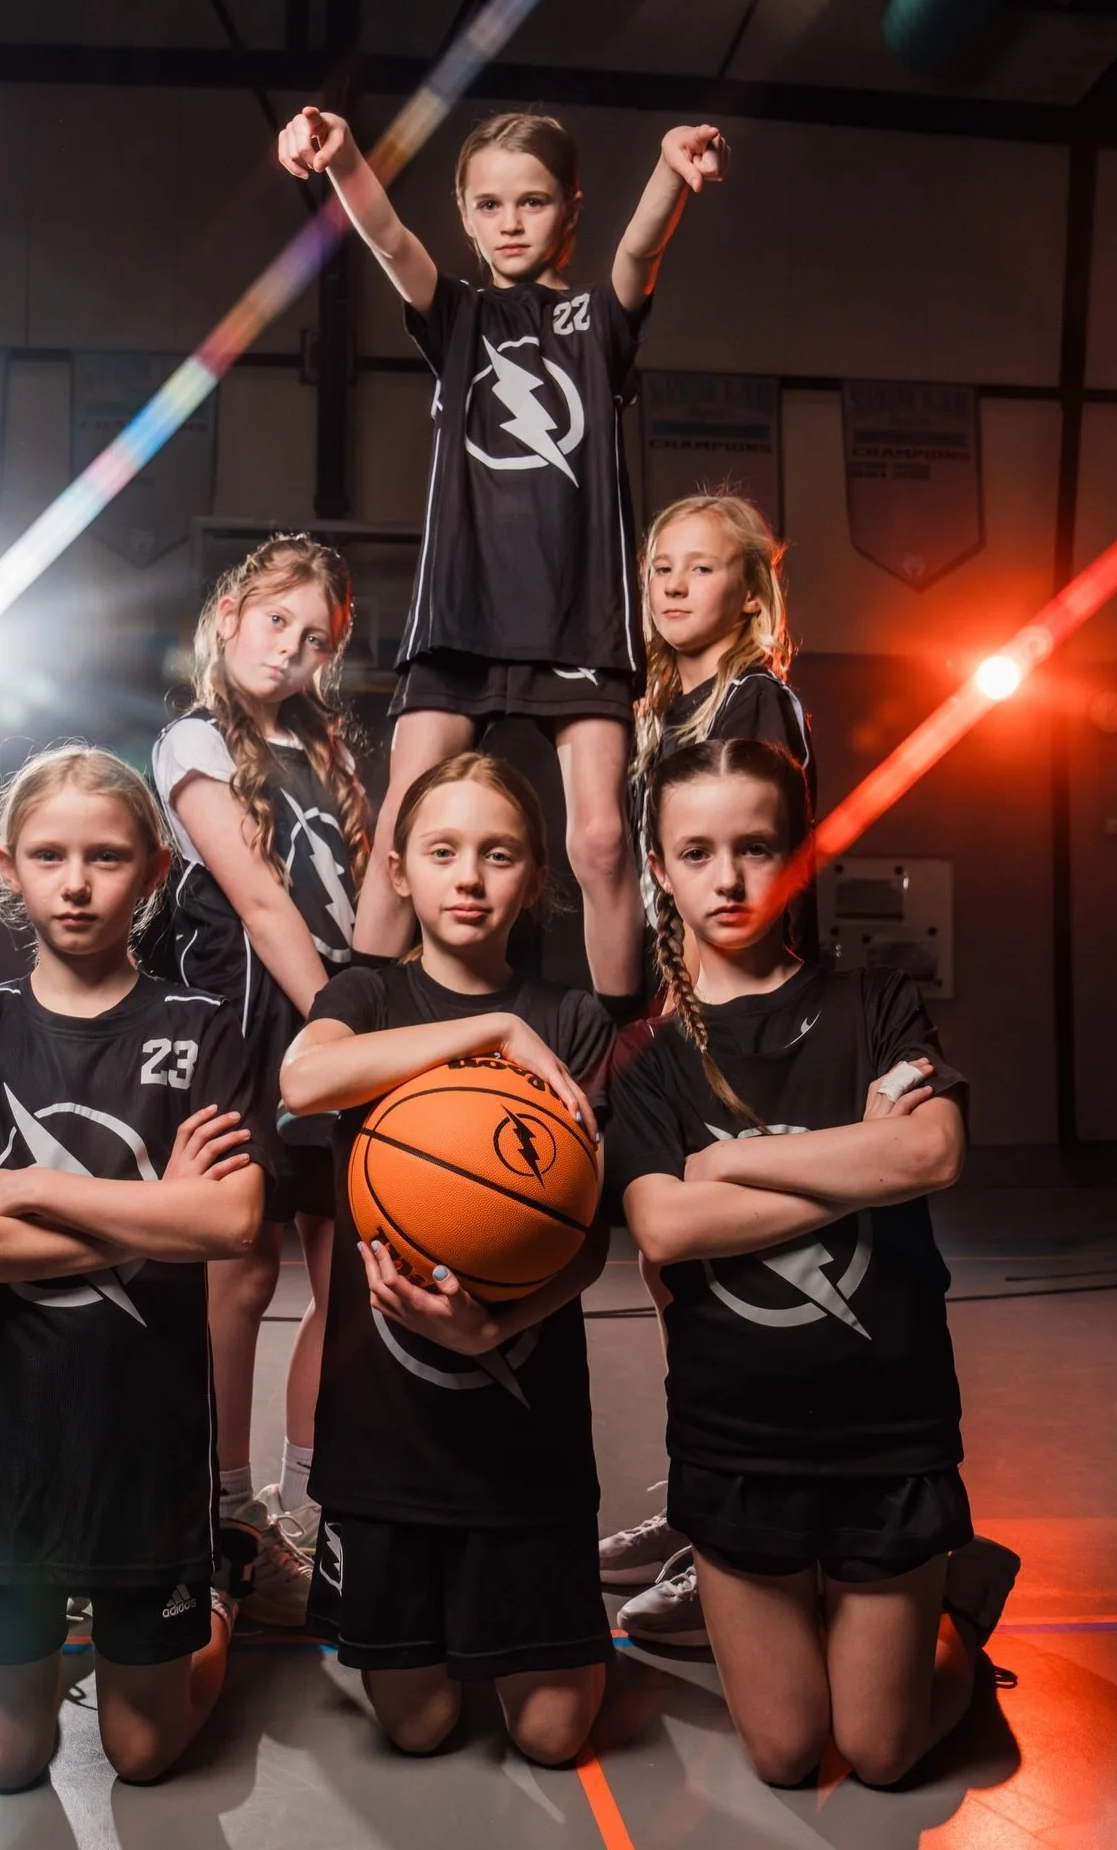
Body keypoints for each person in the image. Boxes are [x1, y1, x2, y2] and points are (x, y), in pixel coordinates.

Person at [604, 737, 1019, 1788]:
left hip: (890, 1437)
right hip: (737, 1443)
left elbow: (930, 1150)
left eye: (756, 846)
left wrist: (729, 1163)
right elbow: (665, 1231)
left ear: (799, 856)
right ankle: (873, 1616)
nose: (728, 877)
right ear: (658, 867)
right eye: (696, 852)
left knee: (880, 1753)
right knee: (790, 1757)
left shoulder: (873, 1000)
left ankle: (957, 1610)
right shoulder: (652, 1066)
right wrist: (855, 1159)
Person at [277, 103, 728, 1016]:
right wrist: (344, 156)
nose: (510, 222)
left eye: (533, 202)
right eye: (489, 205)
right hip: (463, 615)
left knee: (600, 838)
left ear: (569, 210)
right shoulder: (458, 317)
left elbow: (638, 257)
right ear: (466, 212)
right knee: (408, 818)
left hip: (578, 617)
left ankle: (616, 1057)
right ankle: (352, 1032)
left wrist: (671, 174)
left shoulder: (597, 324)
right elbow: (390, 241)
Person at [0, 746, 269, 1791]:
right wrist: (160, 1216)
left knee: (145, 1755)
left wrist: (29, 1188)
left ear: (154, 872)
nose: (75, 882)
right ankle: (41, 1636)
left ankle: (222, 1593)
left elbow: (233, 1220)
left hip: (142, 1438)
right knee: (9, 1760)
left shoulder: (203, 1033)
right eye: (49, 856)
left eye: (106, 857)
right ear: (6, 867)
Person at [278, 752, 616, 1765]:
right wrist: (492, 1030)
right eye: (443, 851)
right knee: (419, 1729)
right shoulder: (367, 995)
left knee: (554, 1738)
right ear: (398, 871)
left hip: (524, 1426)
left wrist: (500, 1323)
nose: (468, 877)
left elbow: (591, 1238)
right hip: (385, 1433)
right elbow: (305, 1076)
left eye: (498, 854)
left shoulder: (575, 1019)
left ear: (535, 879)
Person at [600, 491, 818, 1625]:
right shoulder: (660, 710)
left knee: (742, 1284)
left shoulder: (754, 702)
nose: (674, 586)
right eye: (659, 569)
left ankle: (750, 1530)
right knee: (670, 1269)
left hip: (749, 1020)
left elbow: (761, 878)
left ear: (750, 590)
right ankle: (702, 1498)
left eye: (701, 568)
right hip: (674, 1005)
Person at [151, 534, 369, 1625]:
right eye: (276, 621)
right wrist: (343, 1019)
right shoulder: (194, 739)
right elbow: (261, 903)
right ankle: (224, 1507)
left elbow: (360, 900)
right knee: (237, 1278)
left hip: (329, 1017)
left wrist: (385, 1004)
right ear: (231, 613)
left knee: (348, 1277)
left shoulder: (330, 752)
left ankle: (311, 1507)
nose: (290, 647)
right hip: (250, 1029)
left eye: (314, 636)